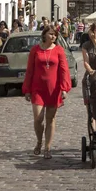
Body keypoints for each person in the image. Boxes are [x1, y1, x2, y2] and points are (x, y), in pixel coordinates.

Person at [22, 26, 72, 159]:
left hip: (53, 89)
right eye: (51, 34)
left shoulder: (59, 50)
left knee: (50, 119)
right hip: (38, 88)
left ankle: (47, 147)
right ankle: (39, 141)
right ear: (44, 35)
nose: (53, 37)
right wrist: (27, 89)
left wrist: (64, 88)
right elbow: (30, 70)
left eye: (55, 35)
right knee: (38, 119)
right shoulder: (35, 50)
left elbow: (64, 70)